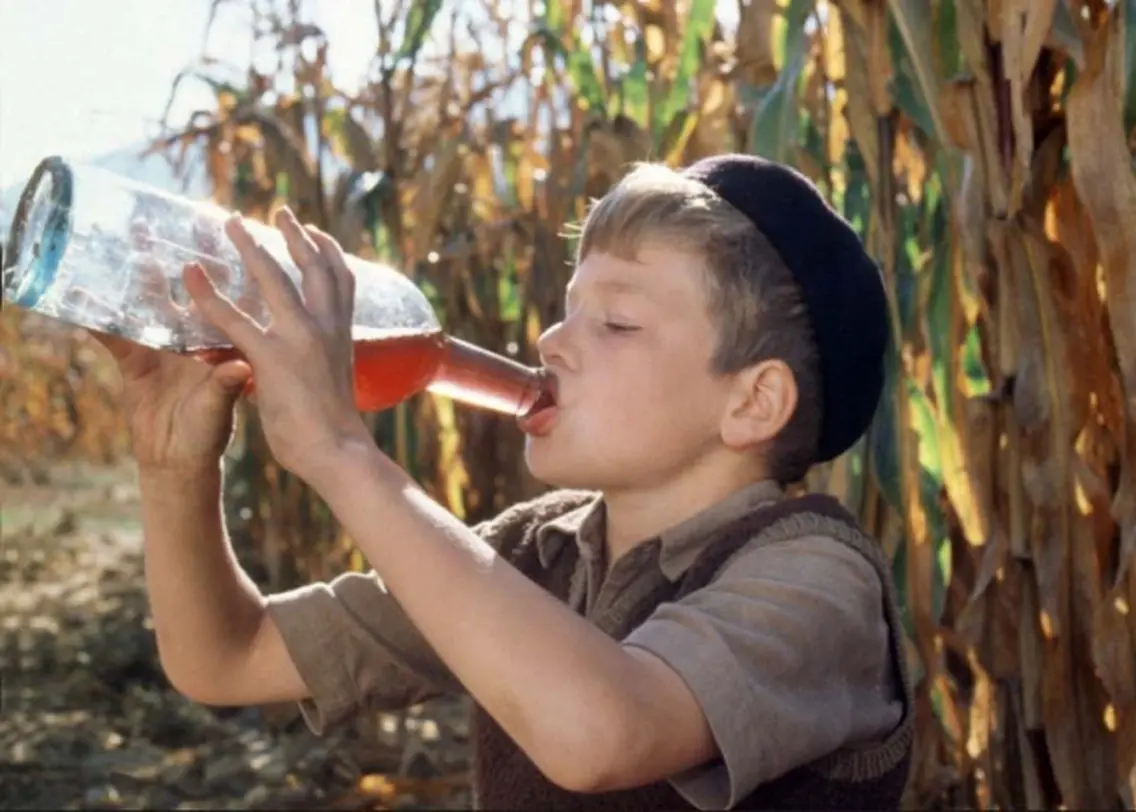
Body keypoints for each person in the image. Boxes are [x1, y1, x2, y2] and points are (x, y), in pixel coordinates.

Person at [96, 154, 913, 810]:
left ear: (753, 402)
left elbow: (601, 734)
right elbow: (224, 659)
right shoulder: (533, 551)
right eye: (566, 308)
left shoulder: (817, 580)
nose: (553, 340)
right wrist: (175, 467)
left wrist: (343, 454)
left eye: (617, 322)